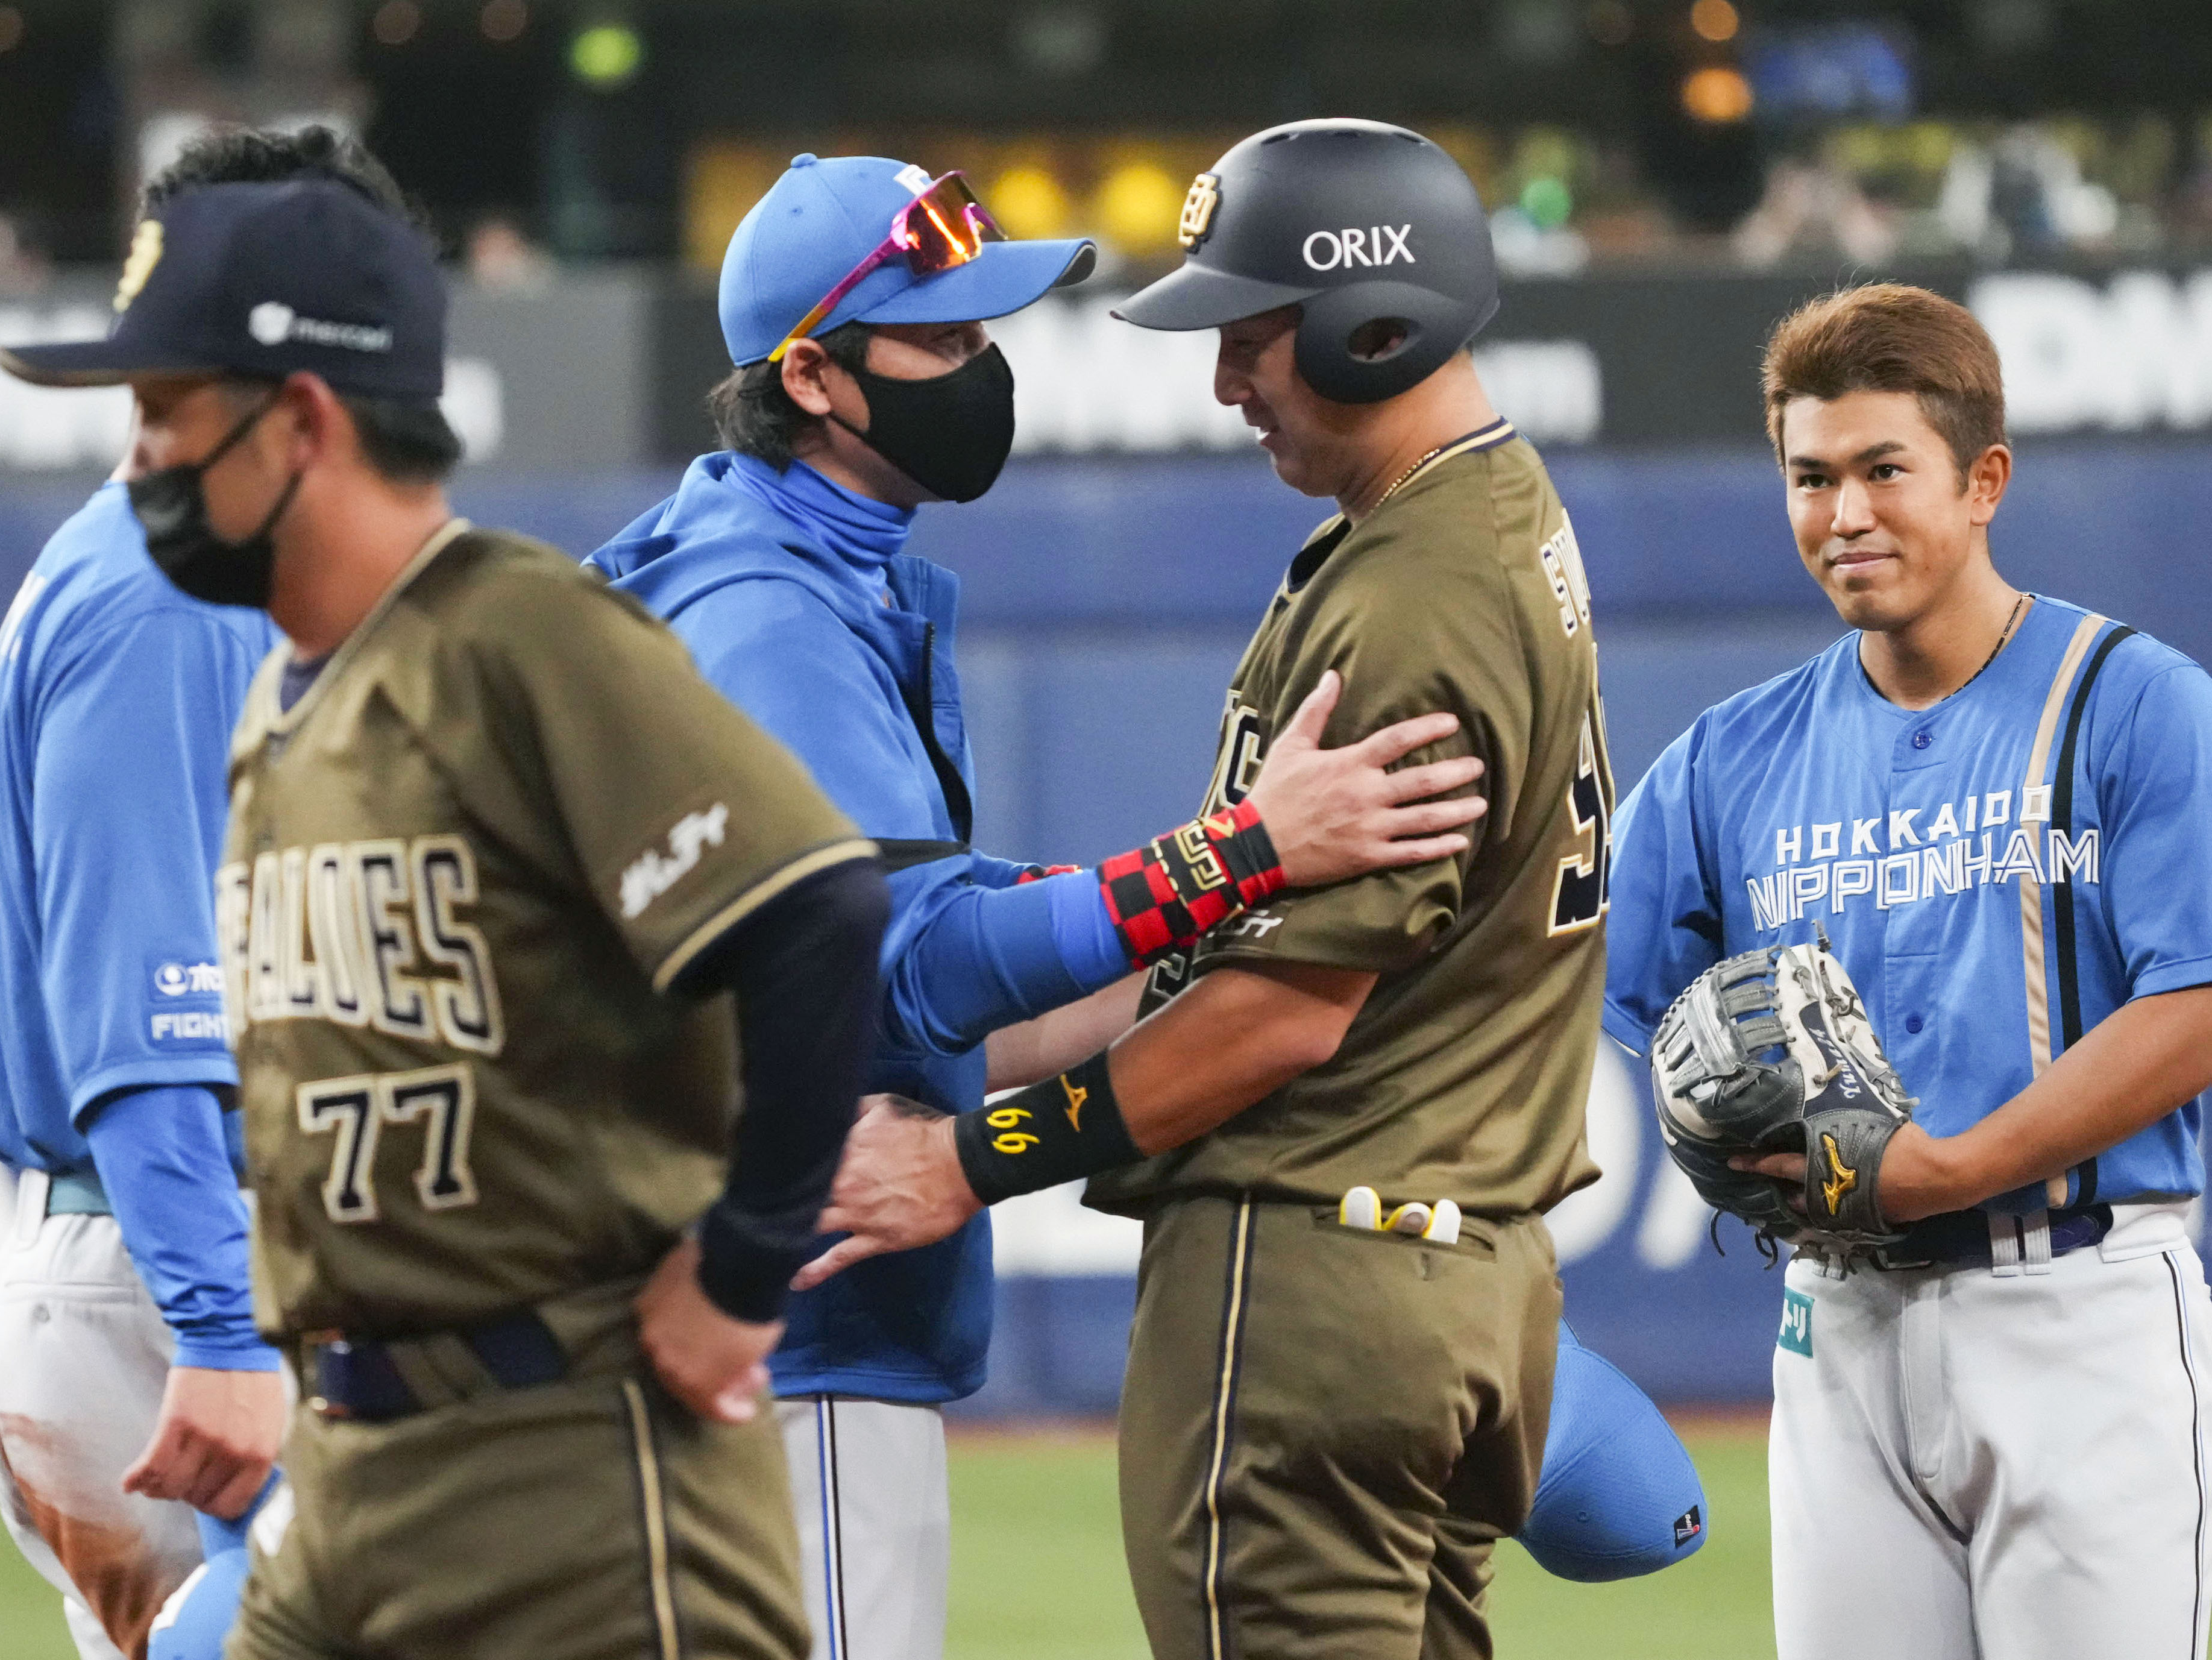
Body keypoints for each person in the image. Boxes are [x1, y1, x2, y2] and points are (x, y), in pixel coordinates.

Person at [803, 118, 1703, 1656]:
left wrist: (968, 1159)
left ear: (1374, 320)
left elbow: (1276, 1020)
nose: (1226, 384)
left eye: (1249, 334)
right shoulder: (1489, 521)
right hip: (1447, 1274)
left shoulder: (1414, 589)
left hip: (1306, 1289)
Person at [585, 149, 1494, 1660]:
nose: (980, 366)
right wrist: (1242, 857)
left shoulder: (781, 570)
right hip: (786, 1331)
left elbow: (933, 967)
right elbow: (899, 964)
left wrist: (1215, 945)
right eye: (939, 340)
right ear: (811, 377)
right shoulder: (763, 612)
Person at [1, 174, 893, 1660]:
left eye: (168, 413)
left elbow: (819, 916)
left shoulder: (519, 634)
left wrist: (741, 1271)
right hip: (360, 1461)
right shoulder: (283, 693)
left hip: (570, 1464)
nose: (139, 456)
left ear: (301, 421)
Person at [1603, 282, 2212, 1659]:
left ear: (1981, 479)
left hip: (2079, 1310)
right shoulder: (1729, 757)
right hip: (1838, 1324)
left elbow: (2196, 998)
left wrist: (1947, 1167)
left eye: (1884, 470)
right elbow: (1564, 965)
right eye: (1808, 477)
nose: (1844, 514)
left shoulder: (2127, 697)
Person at [0, 125, 406, 1660]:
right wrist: (225, 1332)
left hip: (158, 1250)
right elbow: (147, 1021)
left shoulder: (199, 579)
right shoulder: (162, 600)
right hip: (163, 1262)